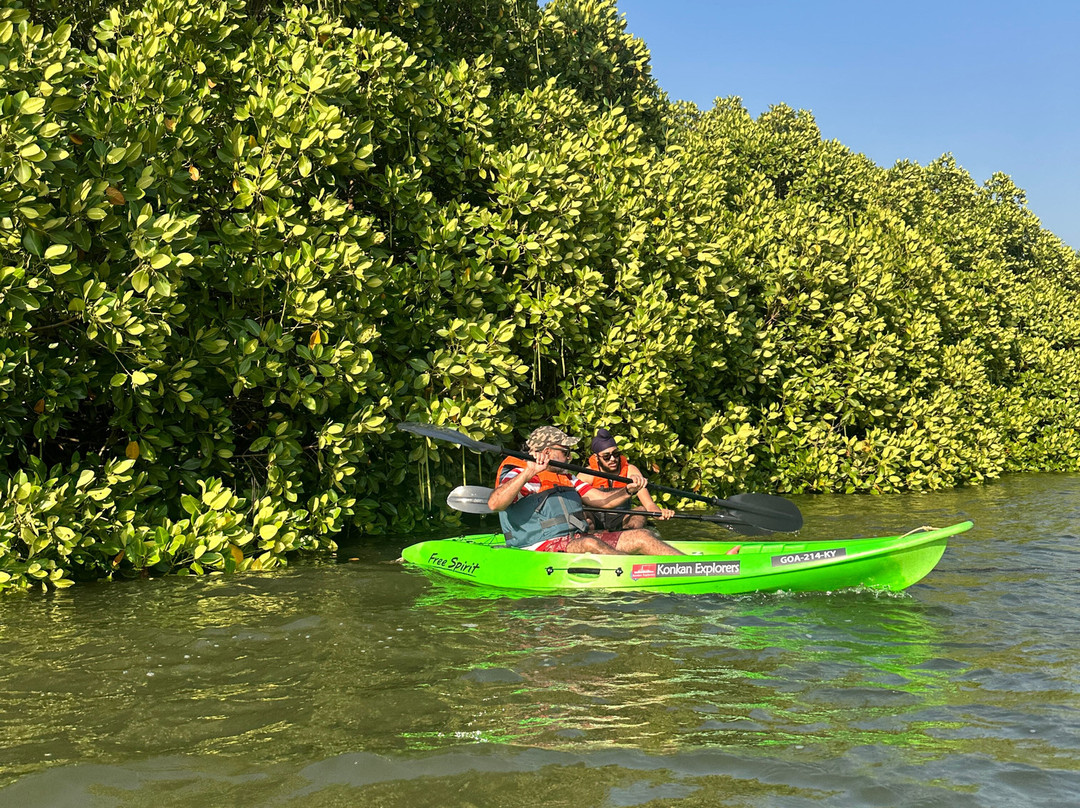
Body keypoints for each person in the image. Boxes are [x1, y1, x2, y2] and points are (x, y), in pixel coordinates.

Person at [486, 425, 683, 556]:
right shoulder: (521, 475)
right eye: (565, 452)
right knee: (591, 544)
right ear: (547, 453)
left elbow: (602, 500)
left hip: (573, 539)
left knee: (642, 535)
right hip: (539, 546)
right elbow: (495, 503)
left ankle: (689, 567)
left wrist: (628, 491)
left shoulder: (567, 477)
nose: (569, 457)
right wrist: (528, 474)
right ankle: (637, 572)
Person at [580, 427, 674, 530]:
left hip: (621, 520)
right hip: (595, 520)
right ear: (597, 457)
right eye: (606, 456)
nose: (613, 459)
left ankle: (628, 537)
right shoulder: (586, 475)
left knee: (641, 510)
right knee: (582, 513)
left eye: (616, 454)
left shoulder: (630, 470)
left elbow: (649, 504)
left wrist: (659, 513)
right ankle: (589, 540)